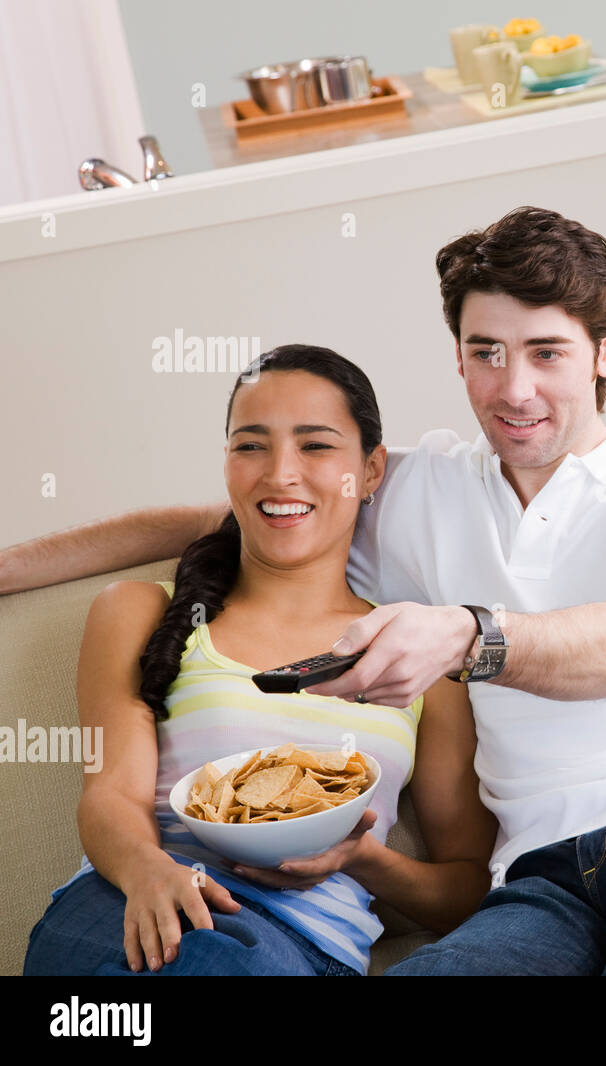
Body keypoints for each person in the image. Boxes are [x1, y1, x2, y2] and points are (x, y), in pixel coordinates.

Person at [5, 206, 606, 975]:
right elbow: (258, 505)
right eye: (487, 352)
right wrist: (13, 567)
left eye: (547, 352)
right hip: (540, 878)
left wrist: (469, 636)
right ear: (460, 359)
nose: (515, 389)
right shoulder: (426, 488)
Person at [21, 345, 497, 976]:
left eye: (316, 446)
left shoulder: (420, 659)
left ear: (372, 469)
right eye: (250, 446)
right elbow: (110, 794)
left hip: (299, 950)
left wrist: (358, 857)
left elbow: (466, 892)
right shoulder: (139, 611)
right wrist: (150, 872)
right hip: (128, 909)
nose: (280, 474)